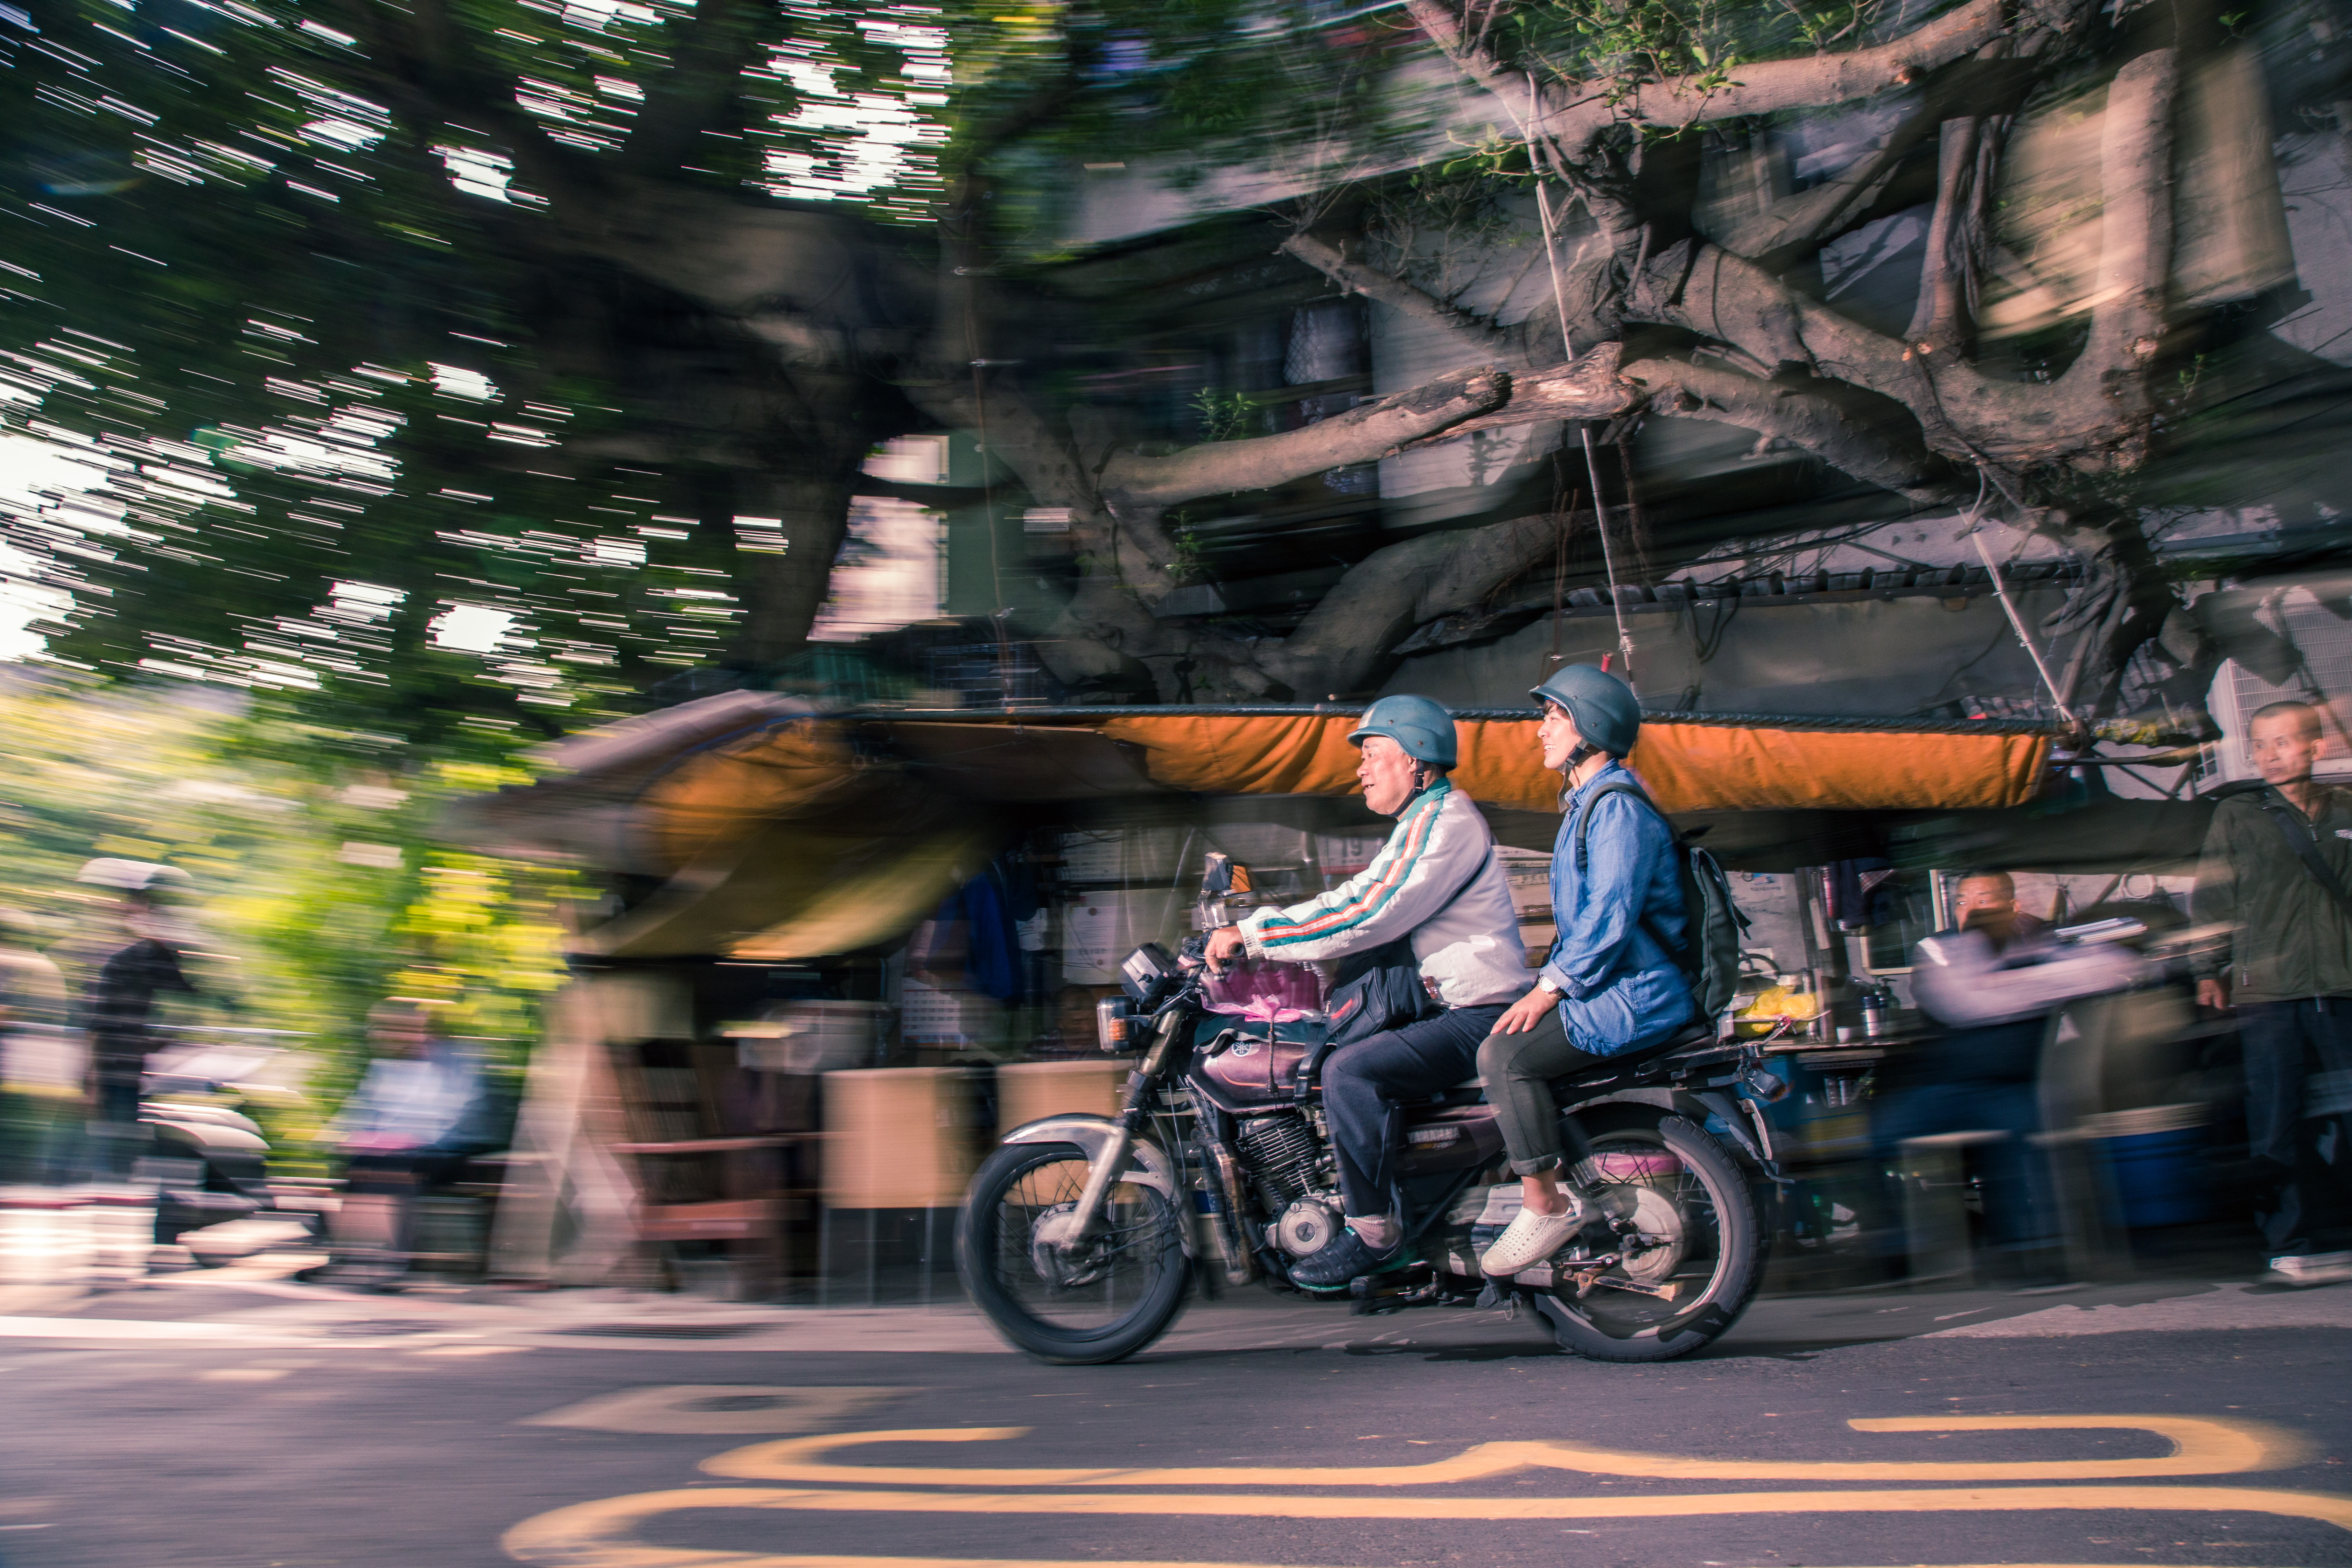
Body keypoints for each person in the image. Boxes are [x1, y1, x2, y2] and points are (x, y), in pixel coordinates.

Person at [1202, 694, 1527, 1288]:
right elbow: (1356, 902)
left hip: (1475, 1014)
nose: (1362, 769)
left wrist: (1255, 934)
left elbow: (1370, 911)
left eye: (1373, 754)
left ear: (1416, 761)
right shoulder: (1420, 825)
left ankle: (1375, 1234)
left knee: (1349, 1073)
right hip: (1449, 1008)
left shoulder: (1444, 822)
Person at [1476, 665, 1699, 1277]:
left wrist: (1549, 991)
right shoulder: (1587, 805)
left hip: (1637, 995)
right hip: (1614, 988)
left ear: (1591, 726)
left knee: (1504, 1057)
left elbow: (1608, 920)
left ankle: (1543, 1205)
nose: (1540, 731)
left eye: (1554, 716)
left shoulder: (1617, 808)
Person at [1885, 869, 2138, 1284]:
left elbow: (2114, 967)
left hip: (2019, 1087)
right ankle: (1901, 1249)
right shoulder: (1939, 949)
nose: (1970, 910)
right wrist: (2032, 981)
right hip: (1949, 1088)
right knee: (1882, 1133)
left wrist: (2020, 972)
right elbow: (1961, 1001)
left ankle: (2026, 1249)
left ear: (2012, 905)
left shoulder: (2043, 943)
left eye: (1983, 900)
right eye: (1963, 902)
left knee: (2016, 1128)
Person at [2192, 699, 2352, 1287]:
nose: (2270, 755)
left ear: (2317, 746)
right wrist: (2208, 968)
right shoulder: (2239, 815)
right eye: (2261, 745)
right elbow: (2213, 896)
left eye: (2283, 742)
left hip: (2344, 984)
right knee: (2276, 1123)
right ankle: (2290, 1245)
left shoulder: (2345, 811)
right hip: (2270, 992)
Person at [319, 999, 500, 1289]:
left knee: (394, 1165)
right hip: (399, 1149)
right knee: (360, 1163)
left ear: (420, 1029)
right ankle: (350, 1257)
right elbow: (361, 1110)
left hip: (450, 1149)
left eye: (395, 1029)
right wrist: (350, 1135)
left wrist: (411, 1140)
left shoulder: (457, 1062)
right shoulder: (386, 1067)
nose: (385, 1036)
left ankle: (391, 1261)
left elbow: (459, 1114)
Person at [74, 862, 204, 1175]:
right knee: (117, 1149)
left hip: (134, 1074)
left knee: (117, 1149)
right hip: (128, 1074)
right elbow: (102, 1024)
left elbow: (101, 1025)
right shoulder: (136, 961)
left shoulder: (139, 961)